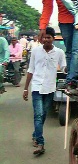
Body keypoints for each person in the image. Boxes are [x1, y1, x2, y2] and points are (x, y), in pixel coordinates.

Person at [23, 27, 66, 155]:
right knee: (38, 114)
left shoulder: (59, 53)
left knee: (44, 114)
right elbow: (31, 70)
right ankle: (40, 142)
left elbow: (64, 67)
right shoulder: (36, 51)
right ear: (41, 39)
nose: (46, 39)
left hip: (50, 88)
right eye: (44, 37)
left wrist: (69, 70)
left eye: (49, 37)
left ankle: (35, 134)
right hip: (36, 87)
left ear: (53, 39)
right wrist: (25, 88)